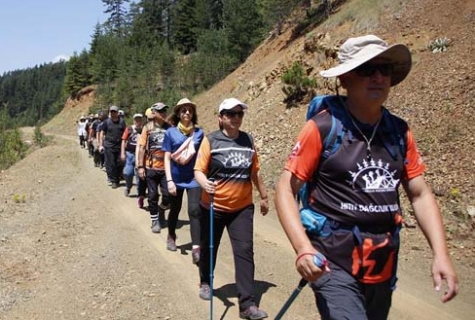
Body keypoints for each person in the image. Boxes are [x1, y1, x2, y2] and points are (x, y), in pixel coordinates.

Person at [274, 35, 458, 320]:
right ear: (345, 79)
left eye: (385, 70)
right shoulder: (323, 128)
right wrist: (302, 249)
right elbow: (286, 188)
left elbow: (420, 194)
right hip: (331, 260)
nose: (378, 77)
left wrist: (441, 254)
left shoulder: (399, 131)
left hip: (381, 262)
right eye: (366, 69)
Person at [194, 98, 270, 319]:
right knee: (210, 247)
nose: (236, 117)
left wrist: (264, 196)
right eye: (230, 113)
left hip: (242, 208)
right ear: (221, 117)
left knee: (244, 252)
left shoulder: (248, 140)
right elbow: (199, 169)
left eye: (239, 114)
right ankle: (206, 282)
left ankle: (247, 305)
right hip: (213, 206)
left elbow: (254, 172)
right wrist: (204, 182)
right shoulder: (211, 141)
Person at [162, 98, 204, 263]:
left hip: (194, 178)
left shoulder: (199, 133)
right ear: (178, 113)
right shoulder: (170, 133)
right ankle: (171, 235)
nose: (187, 113)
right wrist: (169, 181)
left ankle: (196, 248)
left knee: (195, 211)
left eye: (190, 110)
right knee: (175, 209)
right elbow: (166, 158)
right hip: (176, 179)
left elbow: (203, 156)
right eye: (183, 110)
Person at [136, 102, 171, 233]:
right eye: (161, 111)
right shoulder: (148, 128)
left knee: (168, 195)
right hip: (150, 167)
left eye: (165, 111)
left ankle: (162, 209)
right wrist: (140, 166)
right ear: (154, 113)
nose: (164, 114)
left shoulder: (170, 128)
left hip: (166, 168)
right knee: (152, 195)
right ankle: (155, 220)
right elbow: (141, 147)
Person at [98, 106, 126, 188]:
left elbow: (125, 133)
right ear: (110, 112)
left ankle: (116, 177)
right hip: (109, 145)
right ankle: (114, 180)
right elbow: (101, 133)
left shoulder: (122, 122)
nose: (113, 113)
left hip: (119, 145)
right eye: (111, 112)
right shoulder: (106, 122)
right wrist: (100, 145)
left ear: (117, 112)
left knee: (120, 163)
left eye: (114, 111)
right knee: (111, 163)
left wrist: (126, 142)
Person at [121, 113, 147, 199]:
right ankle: (128, 187)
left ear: (142, 120)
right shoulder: (129, 129)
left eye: (139, 119)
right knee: (128, 173)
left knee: (139, 175)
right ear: (133, 120)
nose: (138, 121)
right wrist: (122, 153)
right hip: (129, 154)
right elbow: (123, 141)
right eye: (136, 120)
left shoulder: (145, 129)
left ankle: (140, 194)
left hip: (140, 155)